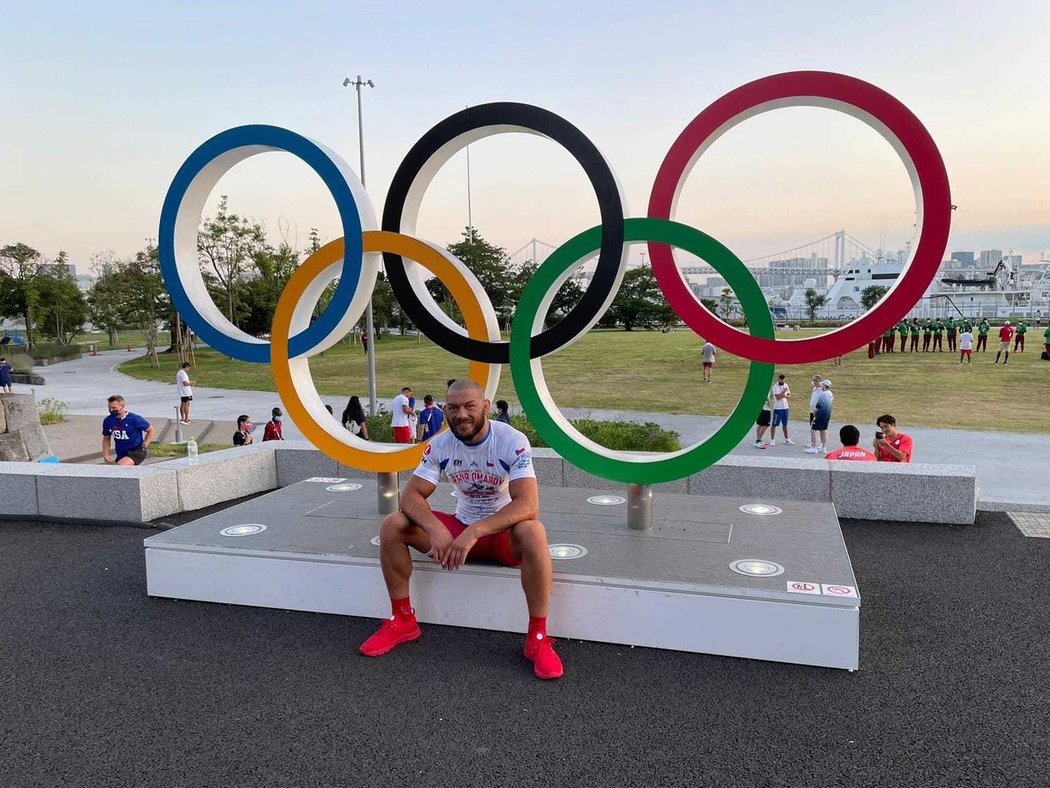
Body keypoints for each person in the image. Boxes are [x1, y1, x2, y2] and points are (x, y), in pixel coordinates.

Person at [359, 379, 563, 680]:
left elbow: (528, 505)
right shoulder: (440, 444)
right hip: (458, 533)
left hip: (500, 536)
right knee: (394, 524)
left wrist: (476, 530)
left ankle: (537, 639)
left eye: (469, 406)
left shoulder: (511, 439)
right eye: (453, 408)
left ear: (485, 407)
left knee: (533, 530)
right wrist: (437, 528)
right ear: (444, 411)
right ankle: (402, 621)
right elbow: (410, 497)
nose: (461, 415)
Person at [101, 395, 155, 466]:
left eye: (114, 408)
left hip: (136, 451)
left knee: (120, 467)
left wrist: (144, 445)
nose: (111, 410)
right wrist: (106, 455)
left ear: (122, 406)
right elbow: (106, 438)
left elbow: (151, 430)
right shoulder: (108, 421)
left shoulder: (134, 419)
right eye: (109, 408)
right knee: (113, 469)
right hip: (122, 452)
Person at [805, 380, 833, 454]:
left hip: (820, 415)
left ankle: (814, 447)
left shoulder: (823, 394)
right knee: (823, 430)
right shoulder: (830, 394)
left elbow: (818, 405)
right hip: (827, 415)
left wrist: (814, 411)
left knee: (813, 429)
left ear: (824, 385)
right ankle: (823, 447)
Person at [769, 373, 794, 446]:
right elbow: (778, 397)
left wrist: (784, 395)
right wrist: (783, 392)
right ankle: (772, 439)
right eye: (781, 379)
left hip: (785, 407)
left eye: (783, 379)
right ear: (778, 379)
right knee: (774, 424)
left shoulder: (786, 385)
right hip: (778, 408)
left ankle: (786, 439)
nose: (782, 380)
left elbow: (789, 395)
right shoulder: (775, 387)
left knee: (785, 424)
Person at [806, 374, 823, 448]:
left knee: (820, 428)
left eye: (815, 381)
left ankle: (821, 444)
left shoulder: (822, 389)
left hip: (818, 412)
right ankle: (812, 442)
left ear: (819, 381)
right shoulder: (815, 387)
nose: (813, 382)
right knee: (812, 427)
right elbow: (812, 383)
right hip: (812, 411)